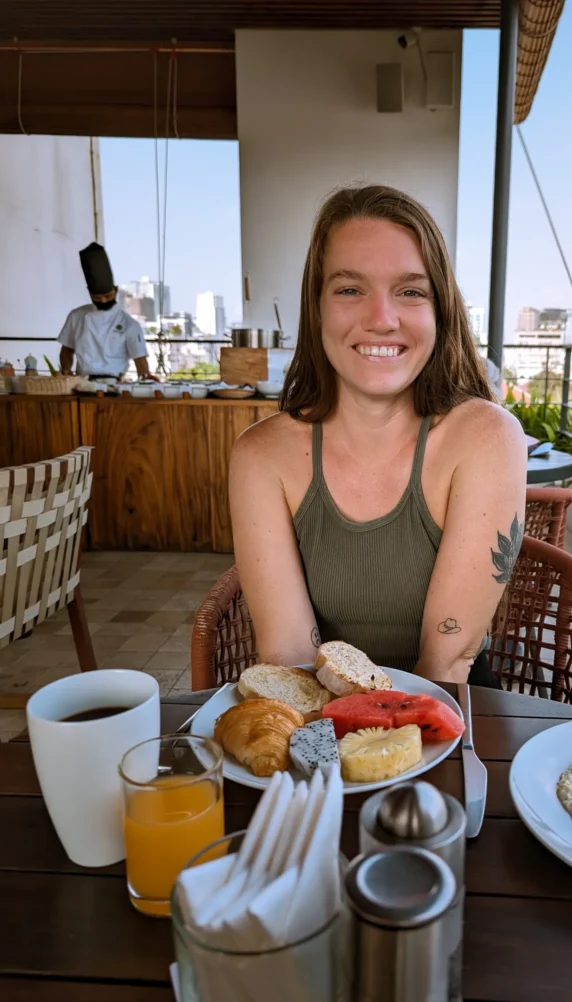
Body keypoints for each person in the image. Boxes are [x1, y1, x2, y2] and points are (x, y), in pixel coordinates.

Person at [229, 185, 527, 687]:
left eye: (411, 291)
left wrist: (385, 758)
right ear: (317, 306)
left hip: (448, 702)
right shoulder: (261, 455)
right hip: (319, 703)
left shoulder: (488, 437)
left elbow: (446, 664)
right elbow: (288, 657)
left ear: (440, 311)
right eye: (349, 289)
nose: (381, 320)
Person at [58, 243, 155, 380]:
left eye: (108, 296)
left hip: (115, 383)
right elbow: (66, 350)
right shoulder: (76, 316)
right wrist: (66, 370)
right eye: (97, 297)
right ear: (89, 293)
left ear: (116, 291)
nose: (103, 301)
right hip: (82, 382)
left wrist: (145, 385)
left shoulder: (129, 324)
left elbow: (140, 360)